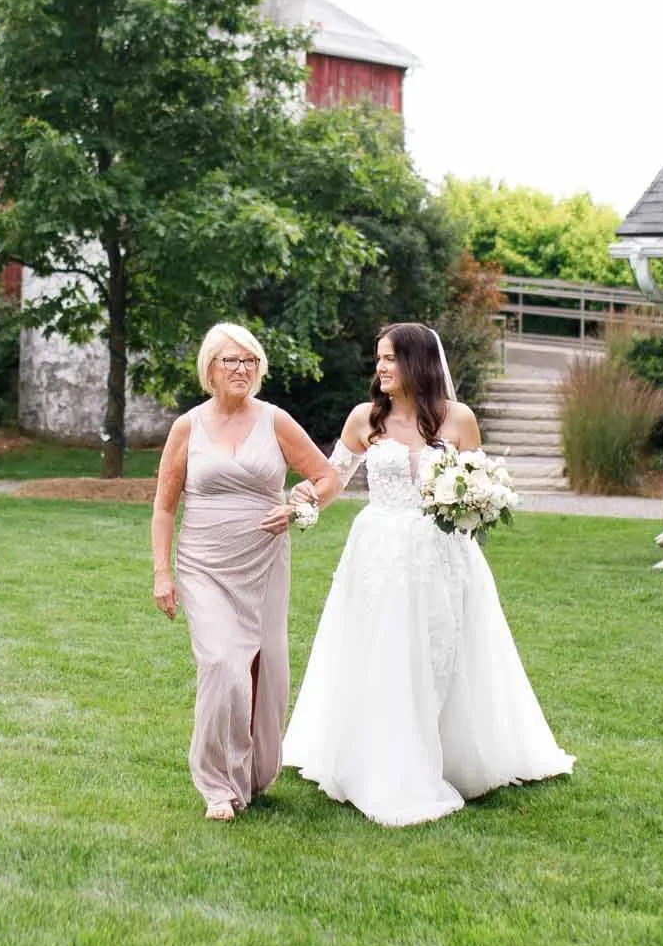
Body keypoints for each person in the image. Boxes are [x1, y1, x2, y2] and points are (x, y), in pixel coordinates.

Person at [283, 322, 574, 826]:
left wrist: (477, 502)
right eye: (378, 359)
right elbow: (334, 479)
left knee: (443, 653)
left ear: (418, 363)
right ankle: (379, 758)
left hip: (442, 556)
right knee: (384, 650)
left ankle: (458, 755)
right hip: (378, 552)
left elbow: (477, 486)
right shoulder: (364, 418)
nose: (381, 367)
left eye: (391, 358)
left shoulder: (458, 420)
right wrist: (308, 496)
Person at [152, 323, 339, 820]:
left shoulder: (275, 420)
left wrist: (299, 510)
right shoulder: (187, 427)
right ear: (209, 369)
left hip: (263, 563)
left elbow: (325, 478)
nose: (241, 369)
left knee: (264, 669)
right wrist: (161, 572)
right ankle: (216, 785)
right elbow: (165, 506)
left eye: (250, 361)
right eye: (231, 361)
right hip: (203, 563)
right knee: (221, 666)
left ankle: (252, 774)